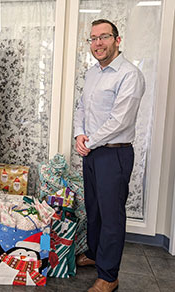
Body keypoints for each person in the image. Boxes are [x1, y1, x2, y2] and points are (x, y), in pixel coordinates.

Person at [73, 19, 145, 292]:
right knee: (93, 208)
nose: (98, 43)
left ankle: (109, 275)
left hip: (114, 155)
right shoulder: (93, 73)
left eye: (104, 37)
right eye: (93, 38)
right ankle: (94, 253)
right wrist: (80, 134)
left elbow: (120, 121)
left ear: (117, 40)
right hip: (91, 152)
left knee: (111, 215)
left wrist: (89, 141)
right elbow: (81, 108)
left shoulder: (129, 75)